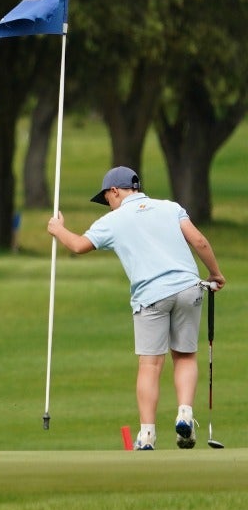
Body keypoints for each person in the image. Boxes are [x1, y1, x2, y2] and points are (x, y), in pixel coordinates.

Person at [47, 166, 226, 450]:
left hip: (150, 295)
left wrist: (58, 230)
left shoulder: (114, 220)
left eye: (107, 197)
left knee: (150, 364)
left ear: (116, 191)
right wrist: (215, 274)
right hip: (188, 288)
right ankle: (185, 414)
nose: (108, 203)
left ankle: (147, 435)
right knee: (185, 356)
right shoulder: (170, 207)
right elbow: (200, 241)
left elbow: (79, 246)